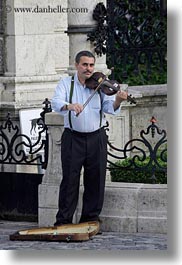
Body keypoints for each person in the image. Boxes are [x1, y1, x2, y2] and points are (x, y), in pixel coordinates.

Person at [51, 50, 128, 226]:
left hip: (97, 137)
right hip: (73, 138)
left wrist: (118, 101)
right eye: (85, 65)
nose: (88, 69)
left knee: (96, 179)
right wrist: (69, 106)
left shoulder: (100, 85)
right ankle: (63, 221)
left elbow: (110, 107)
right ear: (77, 65)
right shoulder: (66, 83)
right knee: (70, 180)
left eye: (91, 65)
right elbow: (56, 102)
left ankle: (90, 219)